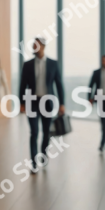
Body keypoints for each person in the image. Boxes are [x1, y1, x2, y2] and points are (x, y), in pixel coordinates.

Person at [19, 37, 65, 173]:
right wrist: (21, 102)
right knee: (34, 132)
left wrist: (62, 103)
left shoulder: (53, 64)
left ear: (43, 46)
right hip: (32, 103)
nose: (34, 47)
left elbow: (59, 85)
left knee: (46, 133)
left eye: (36, 45)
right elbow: (23, 85)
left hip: (47, 102)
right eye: (33, 45)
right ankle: (33, 163)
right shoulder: (27, 65)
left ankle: (43, 156)